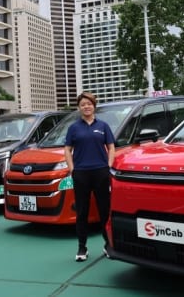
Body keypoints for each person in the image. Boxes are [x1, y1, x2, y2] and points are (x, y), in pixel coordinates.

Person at [64, 92, 116, 262]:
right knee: (82, 212)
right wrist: (72, 169)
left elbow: (111, 147)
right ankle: (82, 247)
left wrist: (108, 166)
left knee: (104, 211)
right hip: (81, 174)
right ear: (79, 108)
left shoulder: (103, 126)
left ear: (94, 106)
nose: (86, 107)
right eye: (83, 104)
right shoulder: (73, 128)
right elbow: (67, 150)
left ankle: (108, 244)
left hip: (101, 172)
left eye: (89, 104)